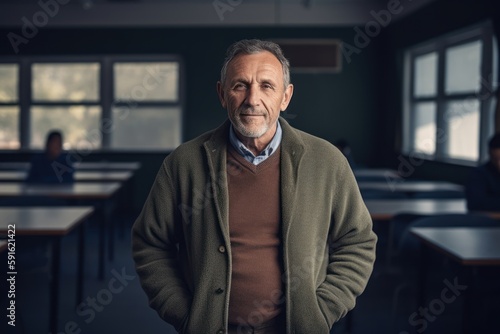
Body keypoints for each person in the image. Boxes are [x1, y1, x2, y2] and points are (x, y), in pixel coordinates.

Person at [132, 39, 377, 334]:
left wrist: (320, 312)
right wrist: (185, 314)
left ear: (286, 97)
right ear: (222, 94)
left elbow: (358, 242)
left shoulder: (327, 161)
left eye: (266, 86)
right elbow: (150, 243)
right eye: (240, 85)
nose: (252, 99)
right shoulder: (183, 163)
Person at [465, 133, 500, 211]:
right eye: (495, 159)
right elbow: (475, 206)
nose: (498, 163)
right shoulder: (478, 174)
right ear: (489, 154)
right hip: (488, 220)